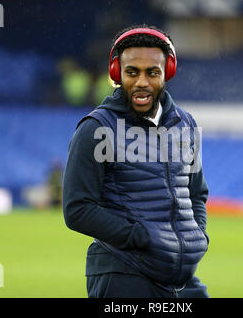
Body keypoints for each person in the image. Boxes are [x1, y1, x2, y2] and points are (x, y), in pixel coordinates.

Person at [62, 25, 210, 298]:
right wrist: (140, 237)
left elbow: (197, 193)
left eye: (152, 72)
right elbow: (77, 209)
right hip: (123, 275)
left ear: (168, 73)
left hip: (181, 281)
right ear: (117, 74)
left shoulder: (186, 124)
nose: (142, 81)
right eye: (132, 72)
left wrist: (196, 236)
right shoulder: (96, 128)